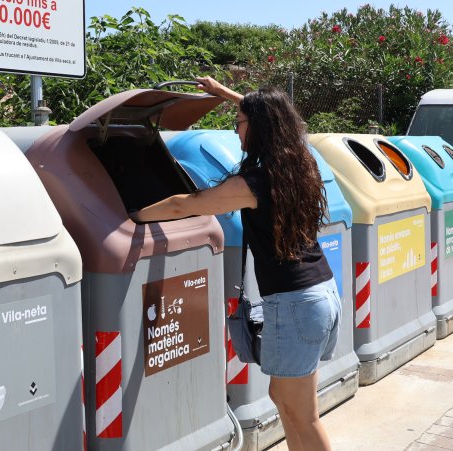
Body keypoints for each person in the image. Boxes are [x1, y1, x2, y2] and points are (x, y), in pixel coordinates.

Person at [130, 76, 339, 451]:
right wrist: (225, 94)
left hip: (296, 303)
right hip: (319, 291)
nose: (236, 131)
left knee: (302, 414)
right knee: (284, 400)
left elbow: (184, 206)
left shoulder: (255, 182)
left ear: (257, 128)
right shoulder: (298, 162)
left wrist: (130, 215)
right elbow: (274, 114)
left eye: (239, 123)